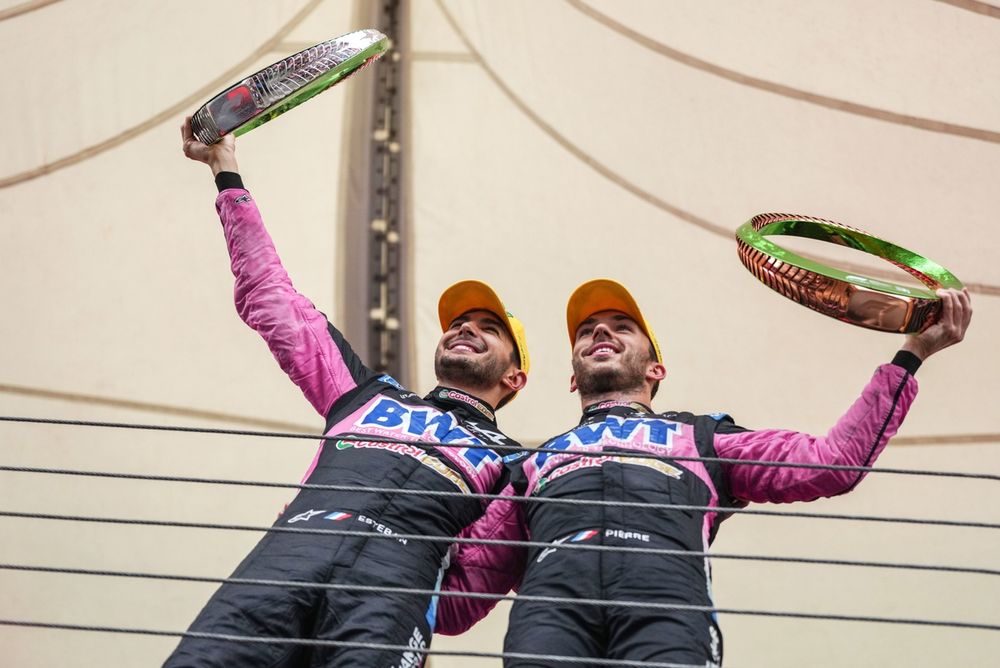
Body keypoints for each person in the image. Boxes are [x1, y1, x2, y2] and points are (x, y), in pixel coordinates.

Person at [436, 278, 972, 667]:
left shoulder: (703, 437)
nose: (601, 330)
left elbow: (833, 463)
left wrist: (912, 353)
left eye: (621, 326)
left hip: (667, 608)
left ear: (655, 368)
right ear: (573, 377)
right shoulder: (532, 464)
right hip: (549, 618)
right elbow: (459, 598)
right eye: (587, 331)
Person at [164, 119, 529, 668]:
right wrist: (226, 170)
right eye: (458, 322)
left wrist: (405, 572)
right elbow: (272, 300)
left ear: (513, 378)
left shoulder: (514, 465)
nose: (464, 328)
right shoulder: (365, 394)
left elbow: (460, 599)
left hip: (387, 599)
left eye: (489, 327)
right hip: (285, 561)